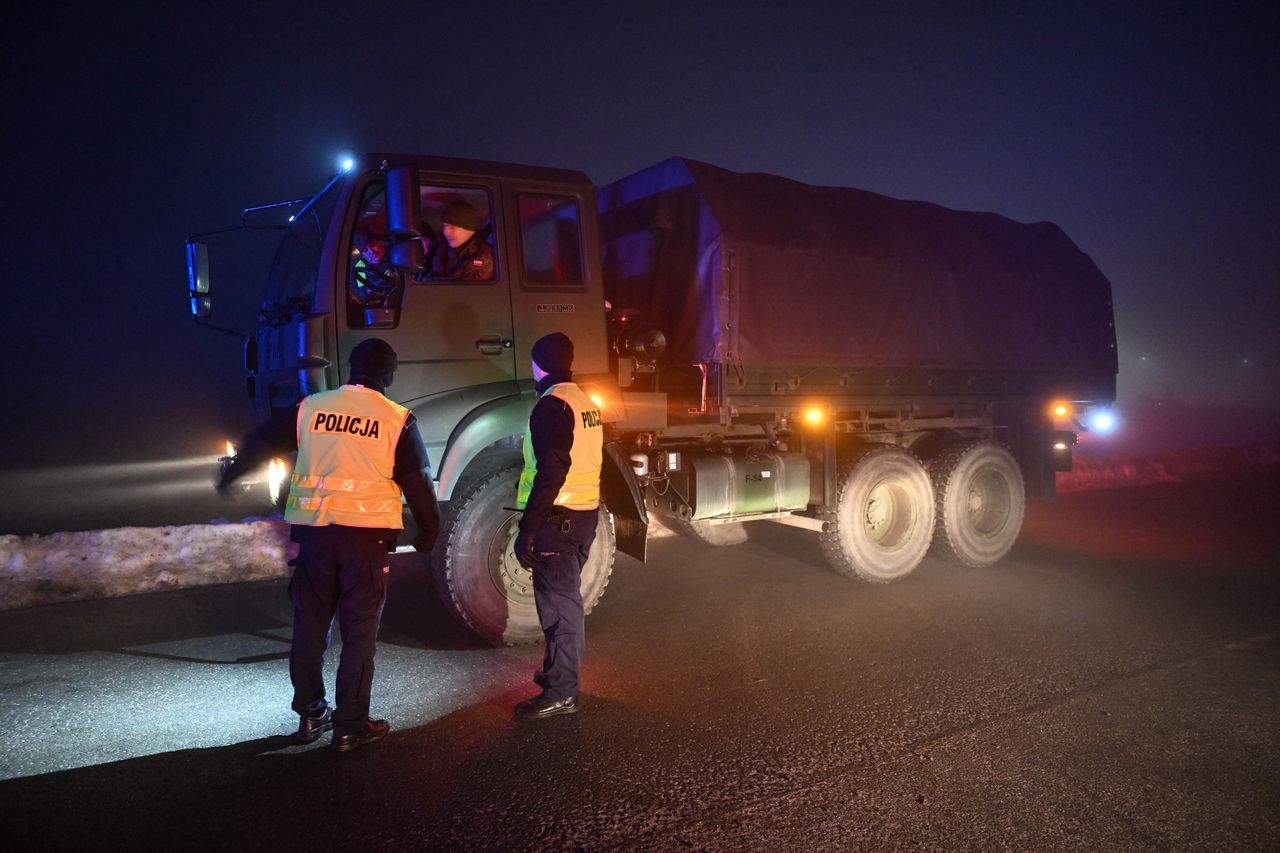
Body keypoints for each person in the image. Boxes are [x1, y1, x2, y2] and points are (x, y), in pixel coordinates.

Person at [218, 339, 440, 752]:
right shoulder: (397, 420)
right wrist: (429, 532)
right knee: (359, 635)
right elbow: (419, 484)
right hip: (367, 542)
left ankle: (310, 714)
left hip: (316, 539)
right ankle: (350, 727)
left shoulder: (311, 408)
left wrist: (231, 477)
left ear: (350, 369)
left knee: (309, 629)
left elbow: (263, 440)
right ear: (390, 375)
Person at [512, 332, 603, 719]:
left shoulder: (552, 405)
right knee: (564, 602)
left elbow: (551, 471)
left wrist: (528, 529)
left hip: (558, 518)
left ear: (538, 366)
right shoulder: (584, 402)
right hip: (582, 515)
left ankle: (562, 692)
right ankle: (557, 673)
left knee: (559, 608)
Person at [414, 199, 494, 282]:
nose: (446, 232)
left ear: (469, 229)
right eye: (444, 226)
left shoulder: (482, 258)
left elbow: (457, 289)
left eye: (452, 227)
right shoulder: (446, 246)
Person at [351, 230, 399, 306]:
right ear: (362, 255)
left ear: (380, 242)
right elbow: (362, 294)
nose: (372, 252)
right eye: (366, 250)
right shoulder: (360, 269)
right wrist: (368, 290)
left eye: (372, 245)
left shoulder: (396, 252)